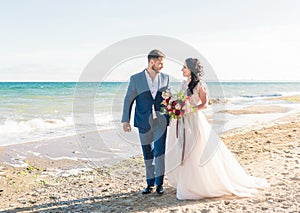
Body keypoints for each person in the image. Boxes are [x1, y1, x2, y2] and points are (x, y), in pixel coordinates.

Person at [166, 58, 269, 200]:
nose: (181, 69)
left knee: (196, 150)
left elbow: (204, 105)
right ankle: (188, 183)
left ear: (191, 69)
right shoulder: (184, 84)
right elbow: (181, 100)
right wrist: (175, 106)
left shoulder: (200, 85)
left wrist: (189, 110)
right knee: (185, 149)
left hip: (195, 120)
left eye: (184, 67)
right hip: (184, 121)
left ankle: (203, 184)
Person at [122, 49, 170, 195]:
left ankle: (159, 184)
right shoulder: (136, 78)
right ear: (152, 62)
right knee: (147, 153)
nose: (162, 66)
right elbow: (128, 99)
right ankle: (149, 184)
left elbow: (168, 98)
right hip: (143, 121)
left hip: (161, 121)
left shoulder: (165, 78)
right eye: (160, 63)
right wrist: (126, 120)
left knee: (160, 152)